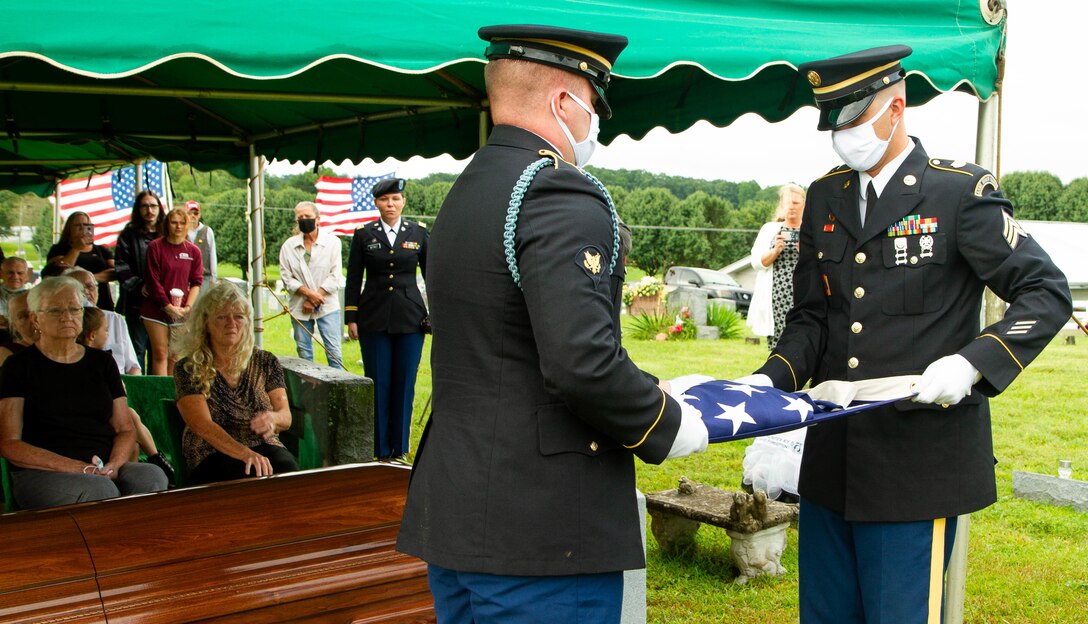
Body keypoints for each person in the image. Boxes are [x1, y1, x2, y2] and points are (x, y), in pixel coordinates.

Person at [743, 46, 1072, 624]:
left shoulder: (958, 193)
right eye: (833, 124)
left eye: (853, 121)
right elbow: (813, 320)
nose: (842, 137)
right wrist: (767, 381)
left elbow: (1045, 291)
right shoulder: (825, 196)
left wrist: (972, 364)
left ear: (896, 108)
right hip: (831, 462)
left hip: (916, 466)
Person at [396, 25, 708, 622]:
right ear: (564, 102)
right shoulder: (558, 191)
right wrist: (666, 422)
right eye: (593, 103)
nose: (595, 120)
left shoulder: (468, 189)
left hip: (463, 510)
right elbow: (581, 362)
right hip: (542, 528)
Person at [0, 277, 168, 509]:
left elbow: (124, 428)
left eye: (74, 309)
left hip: (101, 465)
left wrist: (114, 465)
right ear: (35, 318)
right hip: (43, 472)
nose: (67, 316)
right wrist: (76, 467)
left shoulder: (102, 362)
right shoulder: (18, 366)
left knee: (151, 476)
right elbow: (10, 443)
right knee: (99, 490)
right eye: (56, 309)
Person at [173, 281, 298, 485]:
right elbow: (201, 425)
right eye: (222, 317)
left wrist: (273, 418)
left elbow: (286, 416)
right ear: (206, 322)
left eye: (239, 316)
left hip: (262, 444)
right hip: (211, 451)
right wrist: (245, 454)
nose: (231, 323)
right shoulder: (188, 367)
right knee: (245, 474)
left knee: (286, 468)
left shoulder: (265, 361)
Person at [344, 178, 428, 460]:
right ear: (376, 203)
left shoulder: (419, 232)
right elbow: (354, 278)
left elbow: (432, 276)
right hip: (374, 317)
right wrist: (351, 316)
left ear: (403, 201)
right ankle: (380, 450)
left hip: (410, 318)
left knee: (405, 384)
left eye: (395, 199)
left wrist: (434, 314)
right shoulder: (363, 235)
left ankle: (400, 449)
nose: (390, 205)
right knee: (379, 382)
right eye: (384, 200)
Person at [75, 305, 175, 483]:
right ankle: (157, 459)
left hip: (113, 419)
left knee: (133, 439)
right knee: (130, 416)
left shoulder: (103, 361)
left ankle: (136, 480)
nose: (108, 334)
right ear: (92, 335)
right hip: (96, 421)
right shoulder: (90, 363)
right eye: (105, 330)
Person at [279, 201, 344, 369]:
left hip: (327, 305)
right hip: (299, 305)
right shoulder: (289, 246)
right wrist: (308, 294)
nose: (304, 219)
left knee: (333, 351)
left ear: (317, 219)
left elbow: (335, 276)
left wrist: (315, 297)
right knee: (304, 351)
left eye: (307, 216)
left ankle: (338, 389)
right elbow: (287, 277)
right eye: (300, 217)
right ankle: (308, 389)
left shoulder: (333, 243)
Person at [141, 207, 203, 375]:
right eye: (174, 222)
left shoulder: (193, 251)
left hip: (181, 310)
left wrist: (188, 307)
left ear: (187, 225)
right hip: (155, 309)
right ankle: (159, 393)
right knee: (160, 352)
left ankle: (172, 392)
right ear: (167, 224)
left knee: (175, 356)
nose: (178, 226)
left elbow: (196, 281)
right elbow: (153, 280)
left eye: (182, 223)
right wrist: (167, 306)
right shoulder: (155, 247)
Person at [746, 183, 806, 349]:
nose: (791, 207)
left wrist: (805, 251)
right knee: (778, 345)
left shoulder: (810, 230)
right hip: (776, 298)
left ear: (804, 205)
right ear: (781, 205)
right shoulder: (769, 230)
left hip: (804, 296)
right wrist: (775, 251)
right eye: (788, 203)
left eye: (796, 203)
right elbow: (756, 263)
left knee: (803, 341)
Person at [116, 190, 166, 372]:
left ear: (159, 209)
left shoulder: (166, 234)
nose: (149, 210)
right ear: (138, 209)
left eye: (153, 206)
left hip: (163, 305)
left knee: (160, 352)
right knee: (136, 350)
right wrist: (140, 285)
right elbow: (121, 267)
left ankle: (156, 393)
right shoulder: (128, 235)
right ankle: (138, 394)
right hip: (136, 304)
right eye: (145, 206)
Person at [67, 267, 141, 375]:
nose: (85, 293)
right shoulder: (63, 322)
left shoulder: (115, 320)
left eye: (90, 287)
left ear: (97, 290)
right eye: (78, 289)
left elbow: (133, 368)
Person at [47, 211, 116, 311]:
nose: (82, 228)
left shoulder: (101, 250)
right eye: (77, 225)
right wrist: (76, 249)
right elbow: (59, 271)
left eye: (85, 225)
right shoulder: (59, 249)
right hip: (71, 302)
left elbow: (115, 272)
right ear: (69, 228)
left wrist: (89, 279)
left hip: (101, 302)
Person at [185, 200, 218, 294]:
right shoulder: (181, 231)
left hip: (204, 278)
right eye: (189, 213)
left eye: (196, 213)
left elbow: (212, 255)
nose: (193, 216)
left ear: (199, 215)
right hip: (185, 278)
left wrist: (214, 278)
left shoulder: (207, 231)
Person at [0, 256, 31, 341]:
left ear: (26, 276)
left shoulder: (35, 295)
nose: (15, 276)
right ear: (1, 274)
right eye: (10, 273)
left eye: (20, 273)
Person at [0, 292, 33, 366]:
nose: (33, 319)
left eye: (37, 312)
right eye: (24, 316)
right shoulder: (8, 352)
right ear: (14, 325)